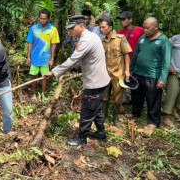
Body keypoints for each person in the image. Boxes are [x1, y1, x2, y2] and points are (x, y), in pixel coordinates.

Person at [44, 15, 110, 146]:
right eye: (69, 29)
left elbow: (72, 60)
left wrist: (54, 72)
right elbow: (81, 60)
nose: (70, 31)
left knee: (87, 110)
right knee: (95, 109)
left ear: (81, 26)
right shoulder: (90, 37)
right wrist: (73, 68)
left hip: (95, 82)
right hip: (99, 80)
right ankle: (101, 134)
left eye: (72, 28)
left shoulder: (86, 40)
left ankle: (82, 138)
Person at [127, 17, 172, 129]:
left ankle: (153, 121)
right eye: (144, 27)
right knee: (136, 95)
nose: (145, 30)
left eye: (147, 28)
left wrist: (163, 78)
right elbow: (136, 55)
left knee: (153, 99)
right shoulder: (142, 38)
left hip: (152, 76)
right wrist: (130, 69)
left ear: (156, 27)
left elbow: (166, 62)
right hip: (138, 73)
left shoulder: (164, 41)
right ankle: (135, 113)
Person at [100, 18, 132, 127]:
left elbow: (126, 54)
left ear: (110, 27)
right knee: (104, 96)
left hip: (118, 74)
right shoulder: (102, 42)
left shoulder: (120, 39)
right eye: (100, 27)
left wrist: (127, 70)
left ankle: (115, 118)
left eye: (103, 27)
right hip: (105, 74)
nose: (101, 29)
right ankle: (103, 116)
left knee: (117, 97)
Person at [26, 9, 60, 101]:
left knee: (44, 76)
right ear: (39, 18)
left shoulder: (53, 30)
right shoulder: (33, 29)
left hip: (46, 58)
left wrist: (52, 59)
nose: (42, 20)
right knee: (33, 75)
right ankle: (33, 94)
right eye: (41, 18)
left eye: (44, 19)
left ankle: (43, 95)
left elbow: (54, 45)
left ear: (48, 19)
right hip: (34, 57)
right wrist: (28, 57)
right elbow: (30, 43)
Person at [162, 34, 180, 127]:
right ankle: (166, 116)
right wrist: (169, 65)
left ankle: (175, 111)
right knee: (172, 93)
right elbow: (165, 50)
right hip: (174, 72)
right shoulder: (175, 39)